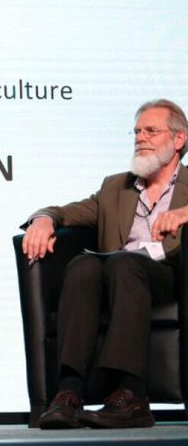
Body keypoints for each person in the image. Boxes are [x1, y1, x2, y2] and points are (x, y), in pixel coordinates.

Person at [22, 99, 188, 429]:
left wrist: (184, 213)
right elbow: (65, 212)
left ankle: (132, 395)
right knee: (83, 266)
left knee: (124, 264)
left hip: (170, 275)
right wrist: (42, 220)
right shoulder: (116, 187)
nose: (141, 138)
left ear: (179, 139)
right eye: (137, 131)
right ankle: (68, 393)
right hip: (118, 274)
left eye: (151, 130)